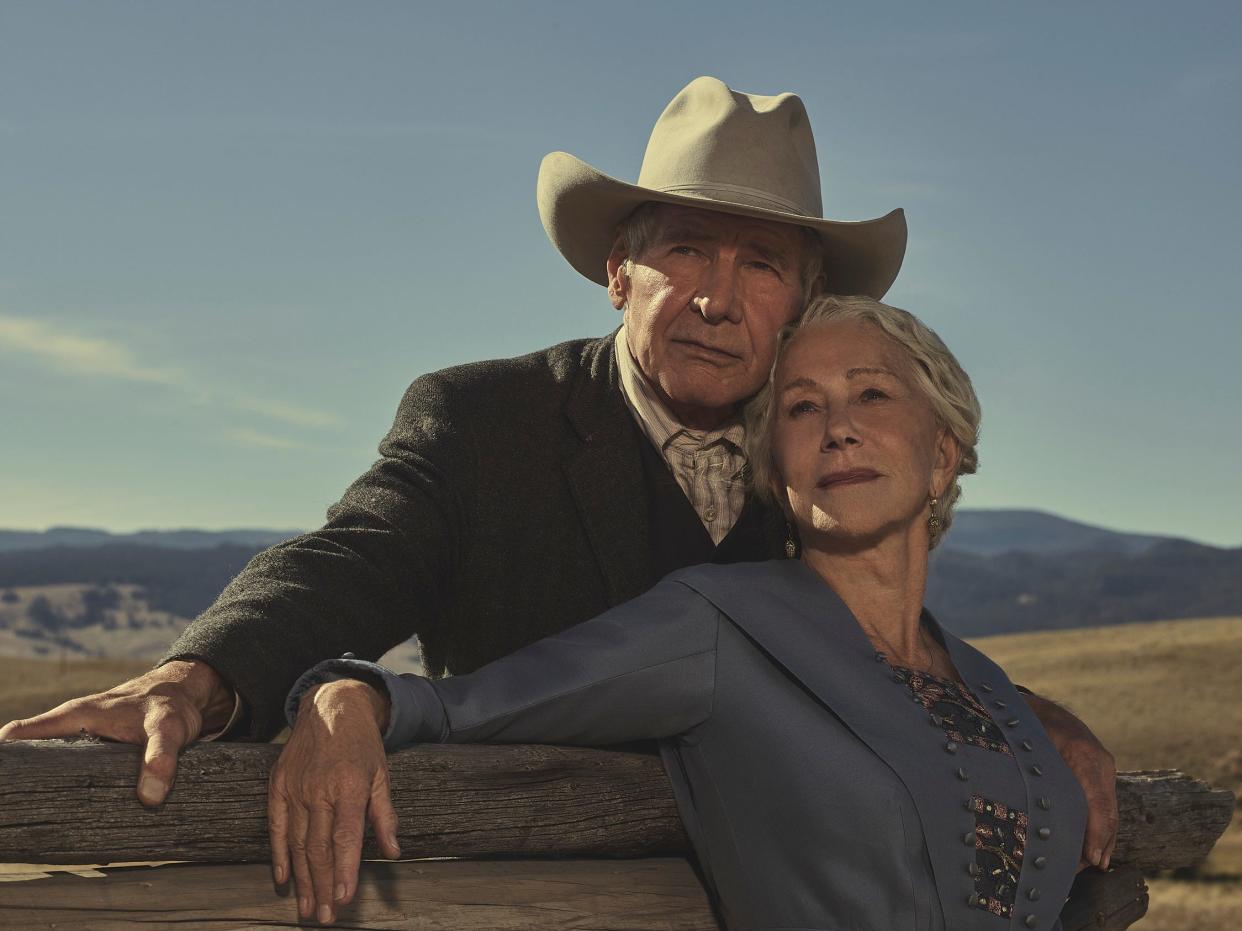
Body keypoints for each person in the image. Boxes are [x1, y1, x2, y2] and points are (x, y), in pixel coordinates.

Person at [0, 77, 1116, 899]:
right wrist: (204, 676)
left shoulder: (816, 463)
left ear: (803, 301)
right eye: (687, 251)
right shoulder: (488, 421)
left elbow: (874, 640)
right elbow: (355, 557)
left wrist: (1026, 720)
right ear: (618, 269)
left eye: (761, 263)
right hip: (511, 898)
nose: (718, 298)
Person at [276, 295, 1087, 931]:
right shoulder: (716, 626)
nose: (838, 428)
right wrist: (348, 694)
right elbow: (472, 704)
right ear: (777, 467)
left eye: (871, 394)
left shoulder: (986, 684)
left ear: (943, 452)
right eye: (802, 407)